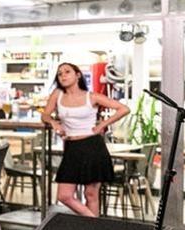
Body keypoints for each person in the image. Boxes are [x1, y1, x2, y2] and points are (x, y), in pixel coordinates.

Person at [41, 62, 130, 217]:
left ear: (78, 75)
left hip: (92, 147)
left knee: (91, 195)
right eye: (60, 73)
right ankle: (96, 224)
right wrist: (54, 122)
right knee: (64, 195)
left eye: (67, 72)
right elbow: (45, 115)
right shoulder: (57, 94)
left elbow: (124, 109)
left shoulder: (92, 96)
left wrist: (103, 124)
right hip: (71, 148)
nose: (63, 76)